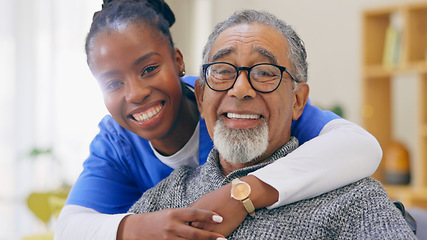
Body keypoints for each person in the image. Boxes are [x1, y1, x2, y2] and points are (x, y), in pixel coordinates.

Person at [55, 0, 382, 239]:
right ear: (201, 92)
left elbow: (360, 146)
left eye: (150, 69)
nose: (136, 92)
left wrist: (241, 194)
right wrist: (143, 227)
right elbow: (70, 228)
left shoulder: (239, 104)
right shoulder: (119, 146)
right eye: (113, 83)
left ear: (179, 64)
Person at [128, 9, 416, 239]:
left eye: (265, 72)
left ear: (298, 101)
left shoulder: (355, 199)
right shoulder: (163, 200)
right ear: (201, 97)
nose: (240, 89)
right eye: (223, 71)